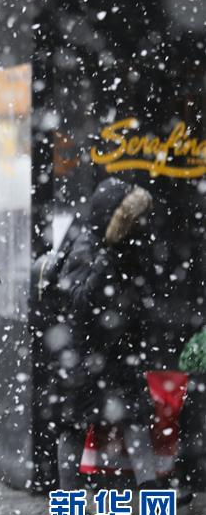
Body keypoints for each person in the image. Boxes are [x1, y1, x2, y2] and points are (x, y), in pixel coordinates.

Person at [54, 177, 161, 493]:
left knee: (136, 417)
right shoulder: (88, 246)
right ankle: (69, 494)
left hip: (117, 347)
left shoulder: (130, 246)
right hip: (87, 352)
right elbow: (79, 300)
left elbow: (137, 298)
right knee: (74, 424)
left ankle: (150, 486)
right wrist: (106, 261)